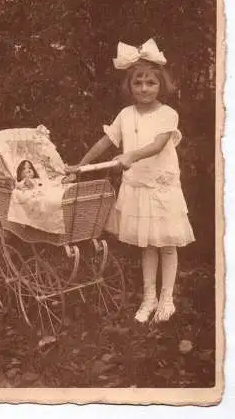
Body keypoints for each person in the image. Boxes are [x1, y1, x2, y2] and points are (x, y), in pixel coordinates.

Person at [66, 39, 195, 323]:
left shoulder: (167, 114)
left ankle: (167, 298)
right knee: (147, 244)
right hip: (137, 187)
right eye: (139, 83)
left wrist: (131, 155)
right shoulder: (125, 115)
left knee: (167, 244)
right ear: (130, 86)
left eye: (151, 83)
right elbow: (106, 141)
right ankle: (149, 297)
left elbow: (159, 144)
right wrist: (80, 165)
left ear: (161, 85)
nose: (144, 88)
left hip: (161, 186)